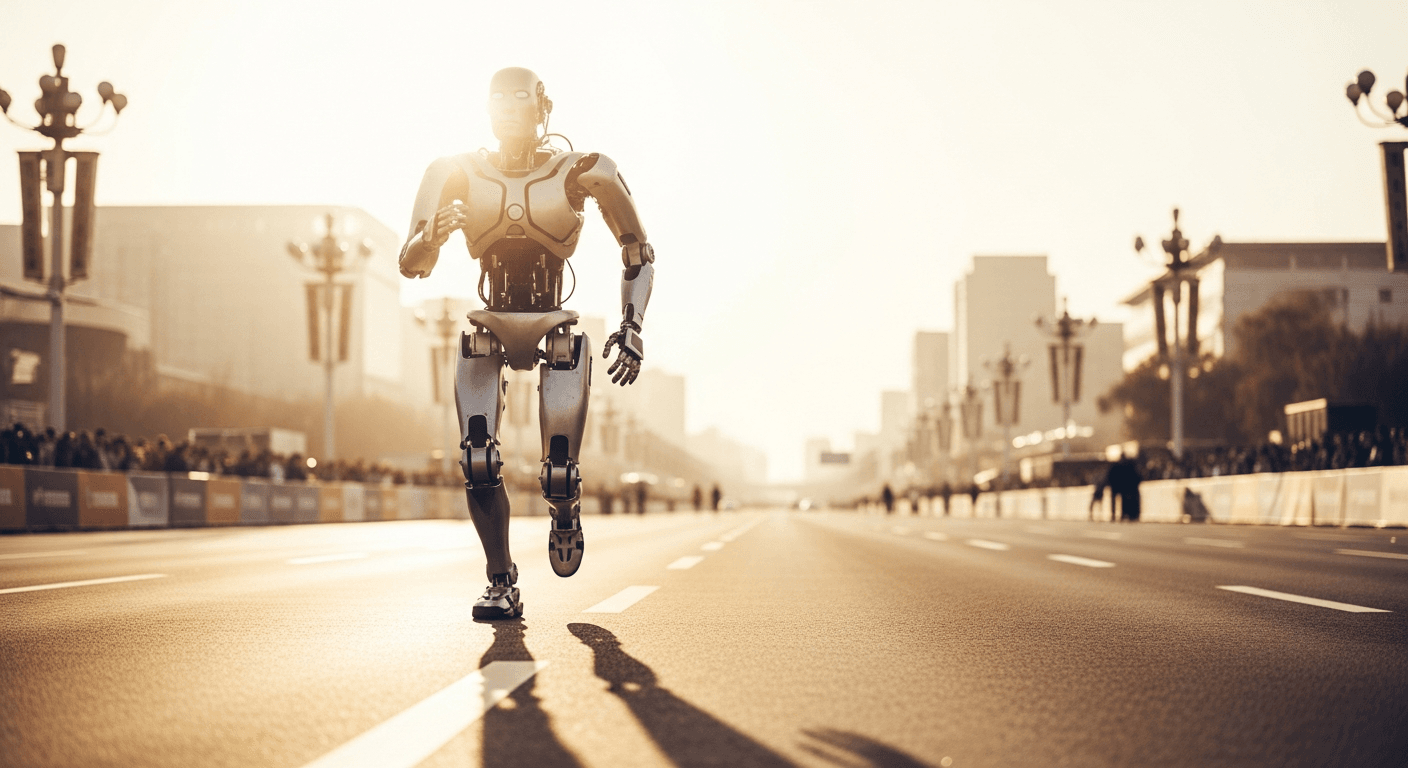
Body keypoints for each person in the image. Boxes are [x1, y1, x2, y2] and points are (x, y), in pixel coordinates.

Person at [399, 67, 655, 620]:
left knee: (559, 471)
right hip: (488, 320)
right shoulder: (453, 171)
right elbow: (411, 264)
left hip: (554, 320)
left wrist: (631, 326)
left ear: (543, 109)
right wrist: (430, 237)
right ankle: (501, 580)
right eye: (500, 102)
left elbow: (637, 250)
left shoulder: (582, 170)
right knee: (477, 459)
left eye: (520, 102)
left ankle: (565, 510)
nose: (509, 113)